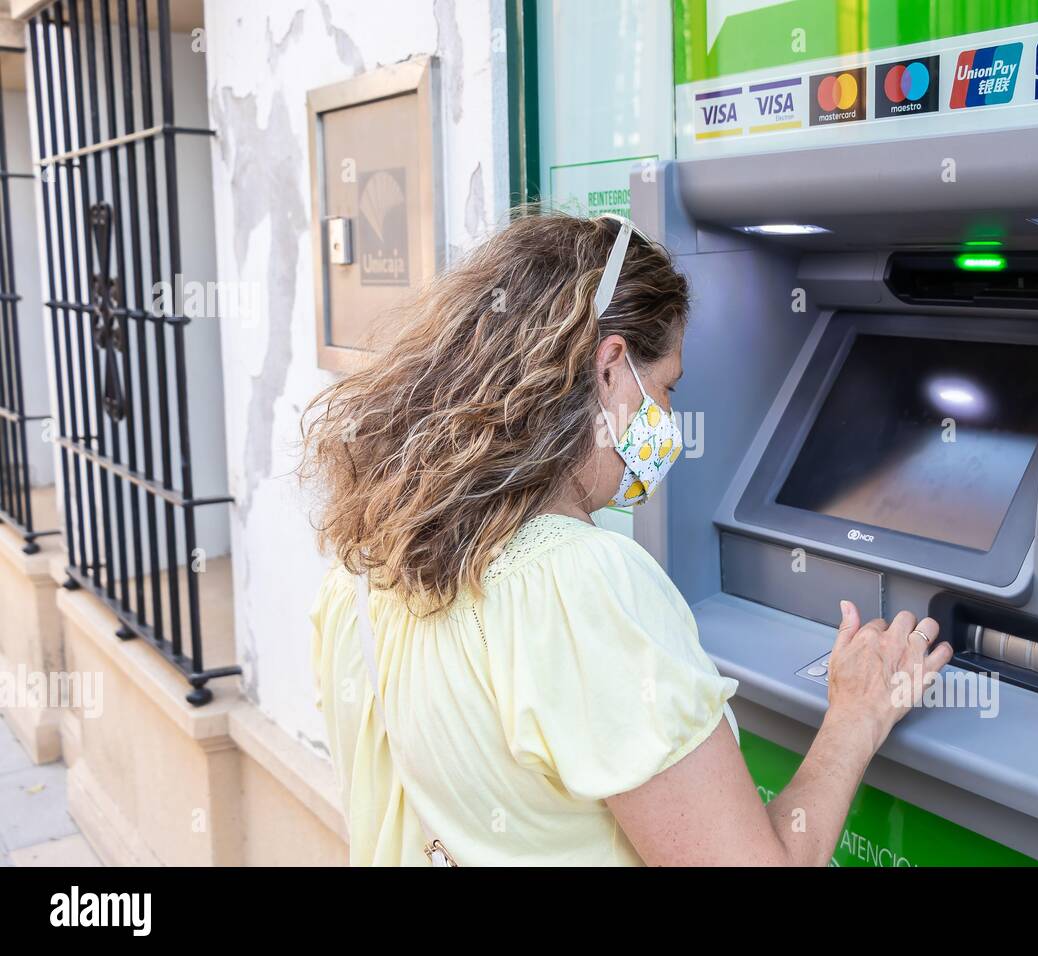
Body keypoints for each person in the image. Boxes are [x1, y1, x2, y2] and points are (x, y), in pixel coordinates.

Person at [301, 211, 950, 866]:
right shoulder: (583, 586)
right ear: (610, 366)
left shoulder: (369, 569)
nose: (668, 416)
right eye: (667, 385)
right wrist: (856, 714)